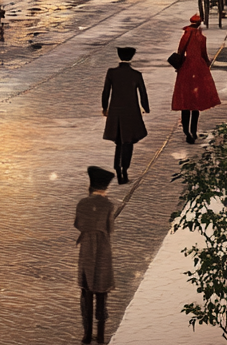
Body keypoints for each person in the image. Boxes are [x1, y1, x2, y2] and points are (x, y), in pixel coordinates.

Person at [75, 165, 115, 345]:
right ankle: (100, 336)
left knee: (86, 292)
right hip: (103, 254)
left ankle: (86, 334)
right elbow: (110, 229)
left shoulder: (82, 203)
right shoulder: (108, 205)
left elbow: (79, 224)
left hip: (86, 253)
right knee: (101, 294)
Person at [170, 14, 221, 144]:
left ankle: (186, 131)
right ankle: (193, 130)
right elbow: (204, 54)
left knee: (185, 100)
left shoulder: (185, 35)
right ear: (199, 23)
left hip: (186, 68)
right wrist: (207, 64)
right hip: (199, 68)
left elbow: (180, 51)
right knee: (196, 102)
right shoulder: (201, 37)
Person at [101, 46, 150, 185]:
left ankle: (117, 168)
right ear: (131, 57)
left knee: (118, 142)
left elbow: (106, 92)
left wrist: (105, 107)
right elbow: (143, 93)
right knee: (128, 142)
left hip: (115, 112)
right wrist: (146, 107)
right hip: (131, 112)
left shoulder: (111, 73)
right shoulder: (136, 74)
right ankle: (125, 170)